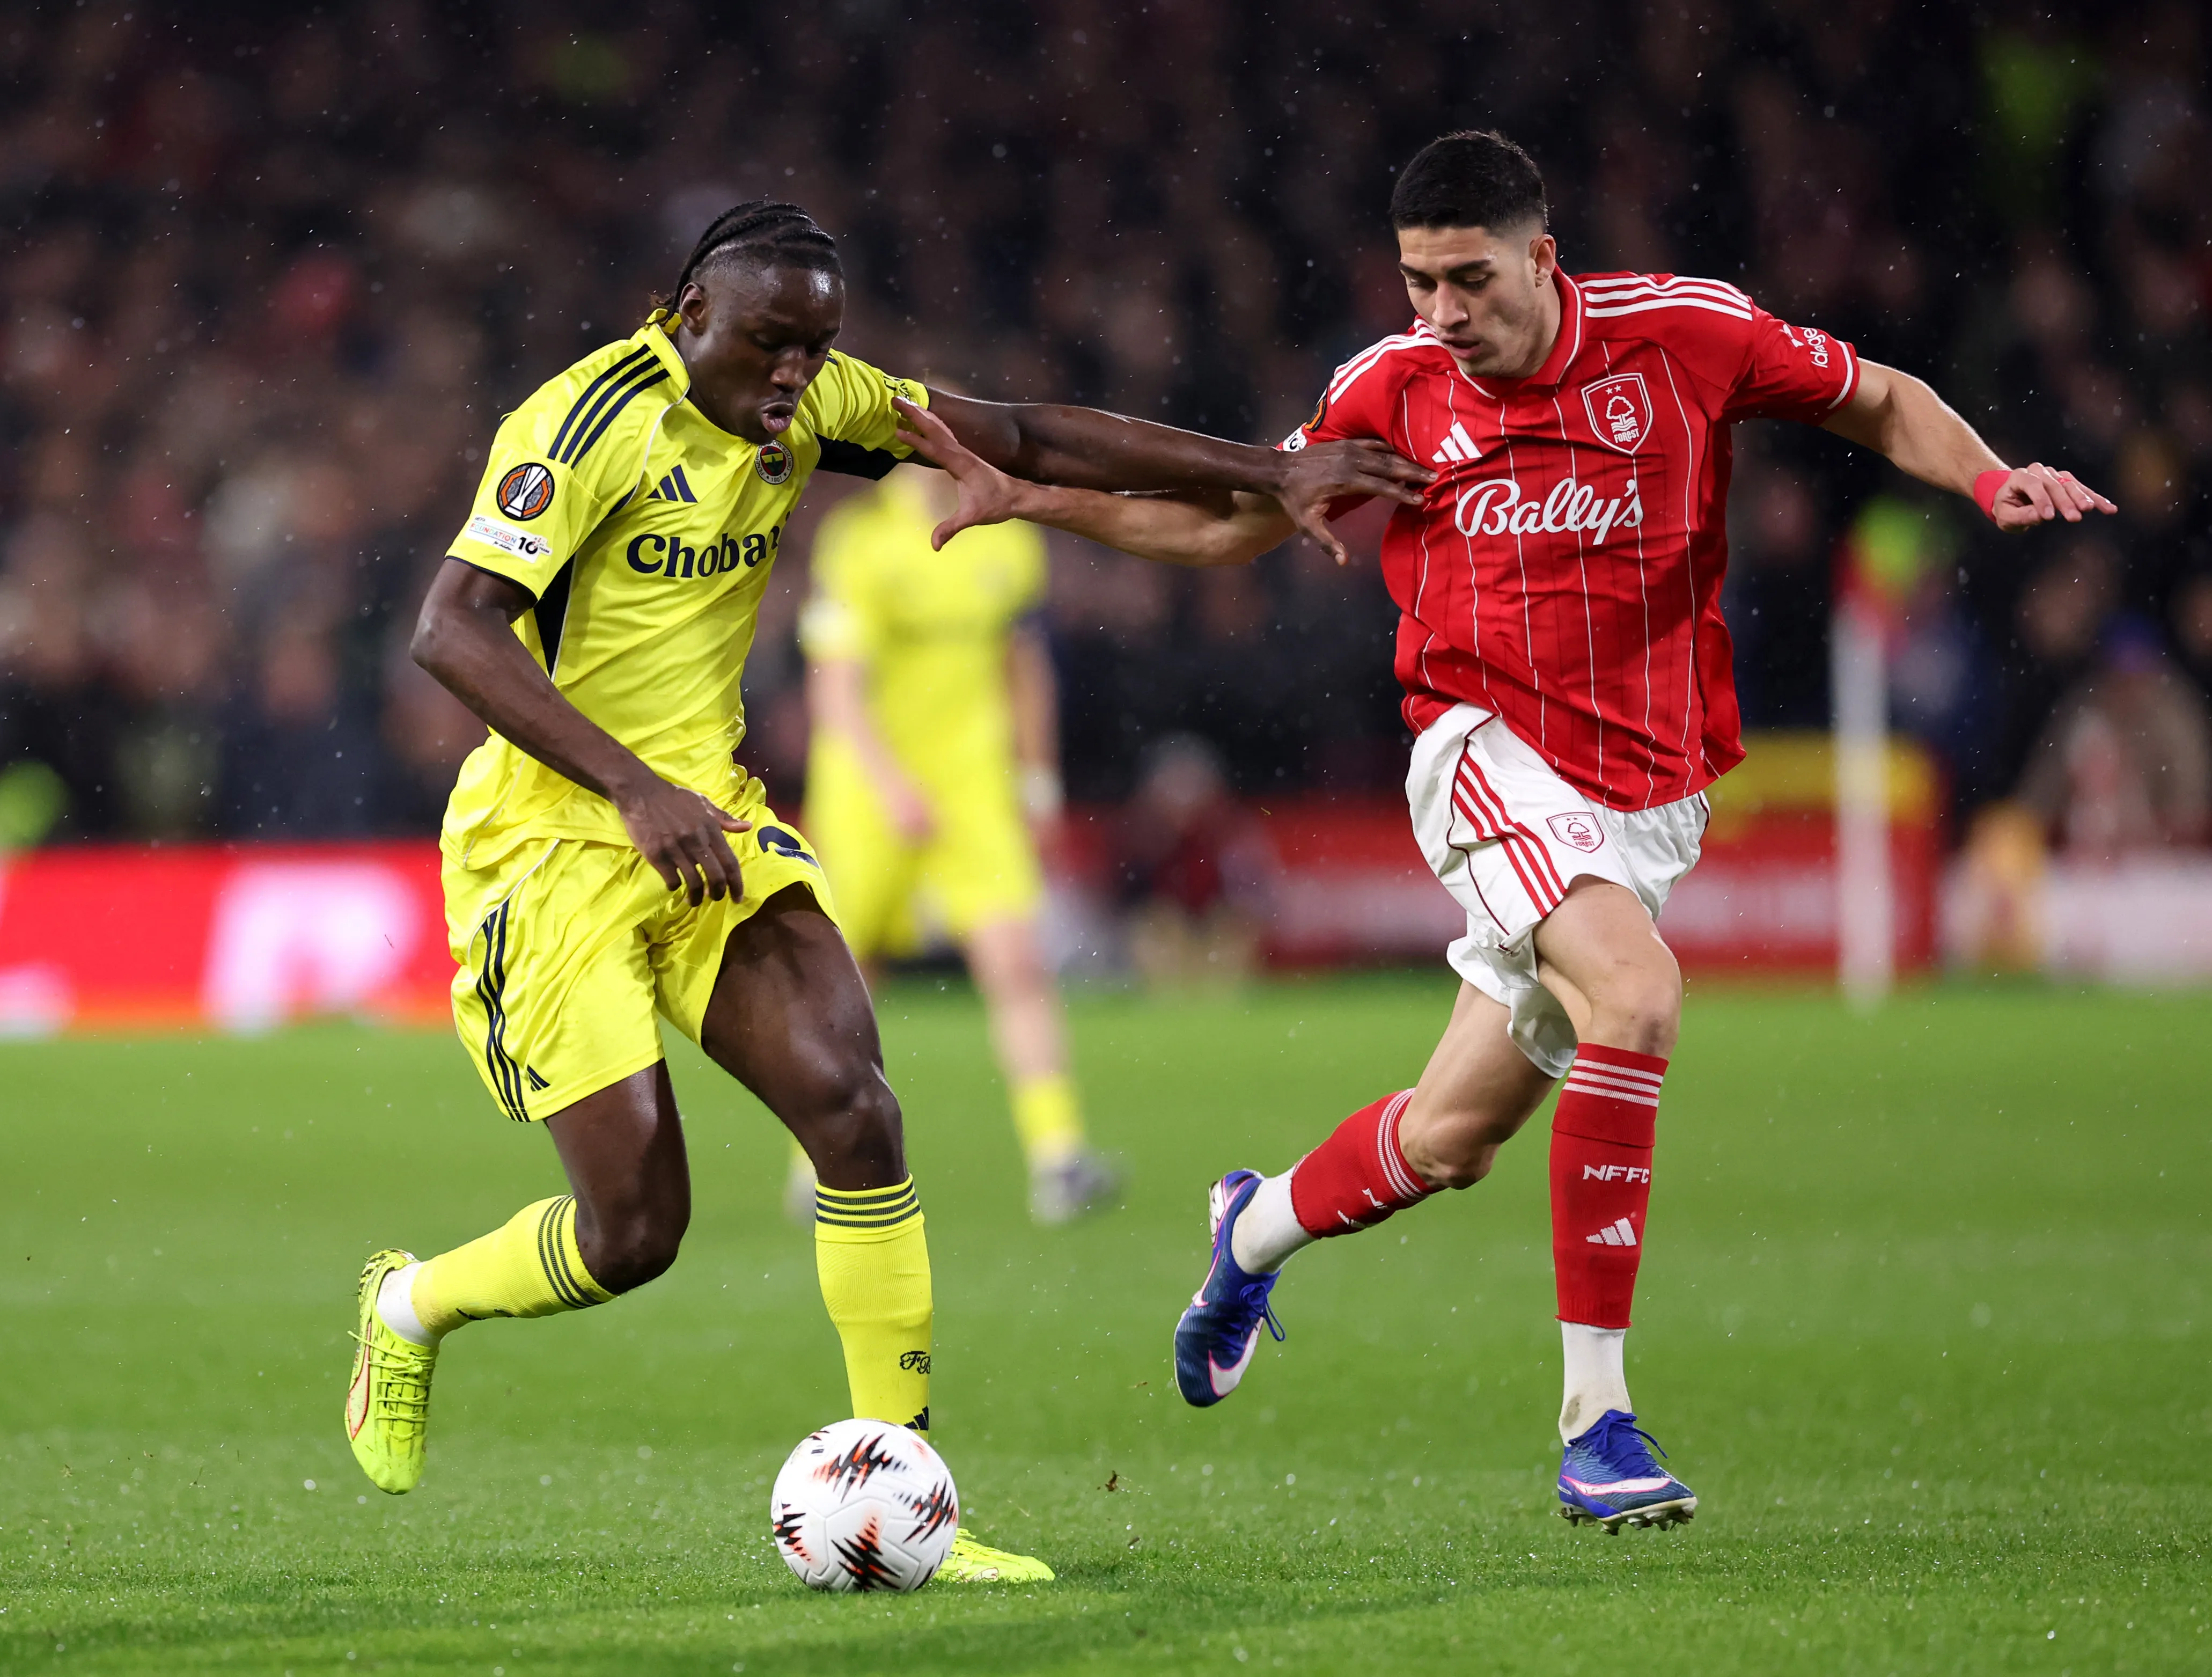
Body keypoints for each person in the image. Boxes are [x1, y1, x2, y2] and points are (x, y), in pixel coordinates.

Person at [893, 131, 2116, 1532]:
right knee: (1637, 996)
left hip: (1651, 797)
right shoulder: (1392, 389)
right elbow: (1237, 523)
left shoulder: (1685, 333)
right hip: (1486, 756)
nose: (1439, 315)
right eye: (1418, 283)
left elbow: (1875, 396)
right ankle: (1597, 1422)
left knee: (1451, 1137)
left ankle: (1253, 1226)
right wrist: (1038, 500)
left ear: (1544, 259)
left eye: (1467, 280)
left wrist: (1984, 477)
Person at [338, 200, 1423, 1583]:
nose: (797, 375)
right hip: (550, 846)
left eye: (818, 346)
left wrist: (1265, 470)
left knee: (856, 1108)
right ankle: (411, 1304)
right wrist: (632, 786)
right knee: (634, 1234)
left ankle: (908, 1493)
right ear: (690, 315)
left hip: (710, 827)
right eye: (772, 343)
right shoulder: (590, 418)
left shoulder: (812, 407)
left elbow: (1022, 433)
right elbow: (450, 629)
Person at [793, 466, 1120, 1225]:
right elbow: (835, 687)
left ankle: (1059, 1157)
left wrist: (1038, 784)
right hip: (869, 790)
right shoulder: (861, 543)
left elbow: (1024, 667)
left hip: (973, 790)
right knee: (849, 980)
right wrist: (890, 785)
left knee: (1017, 964)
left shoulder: (1003, 540)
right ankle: (817, 1157)